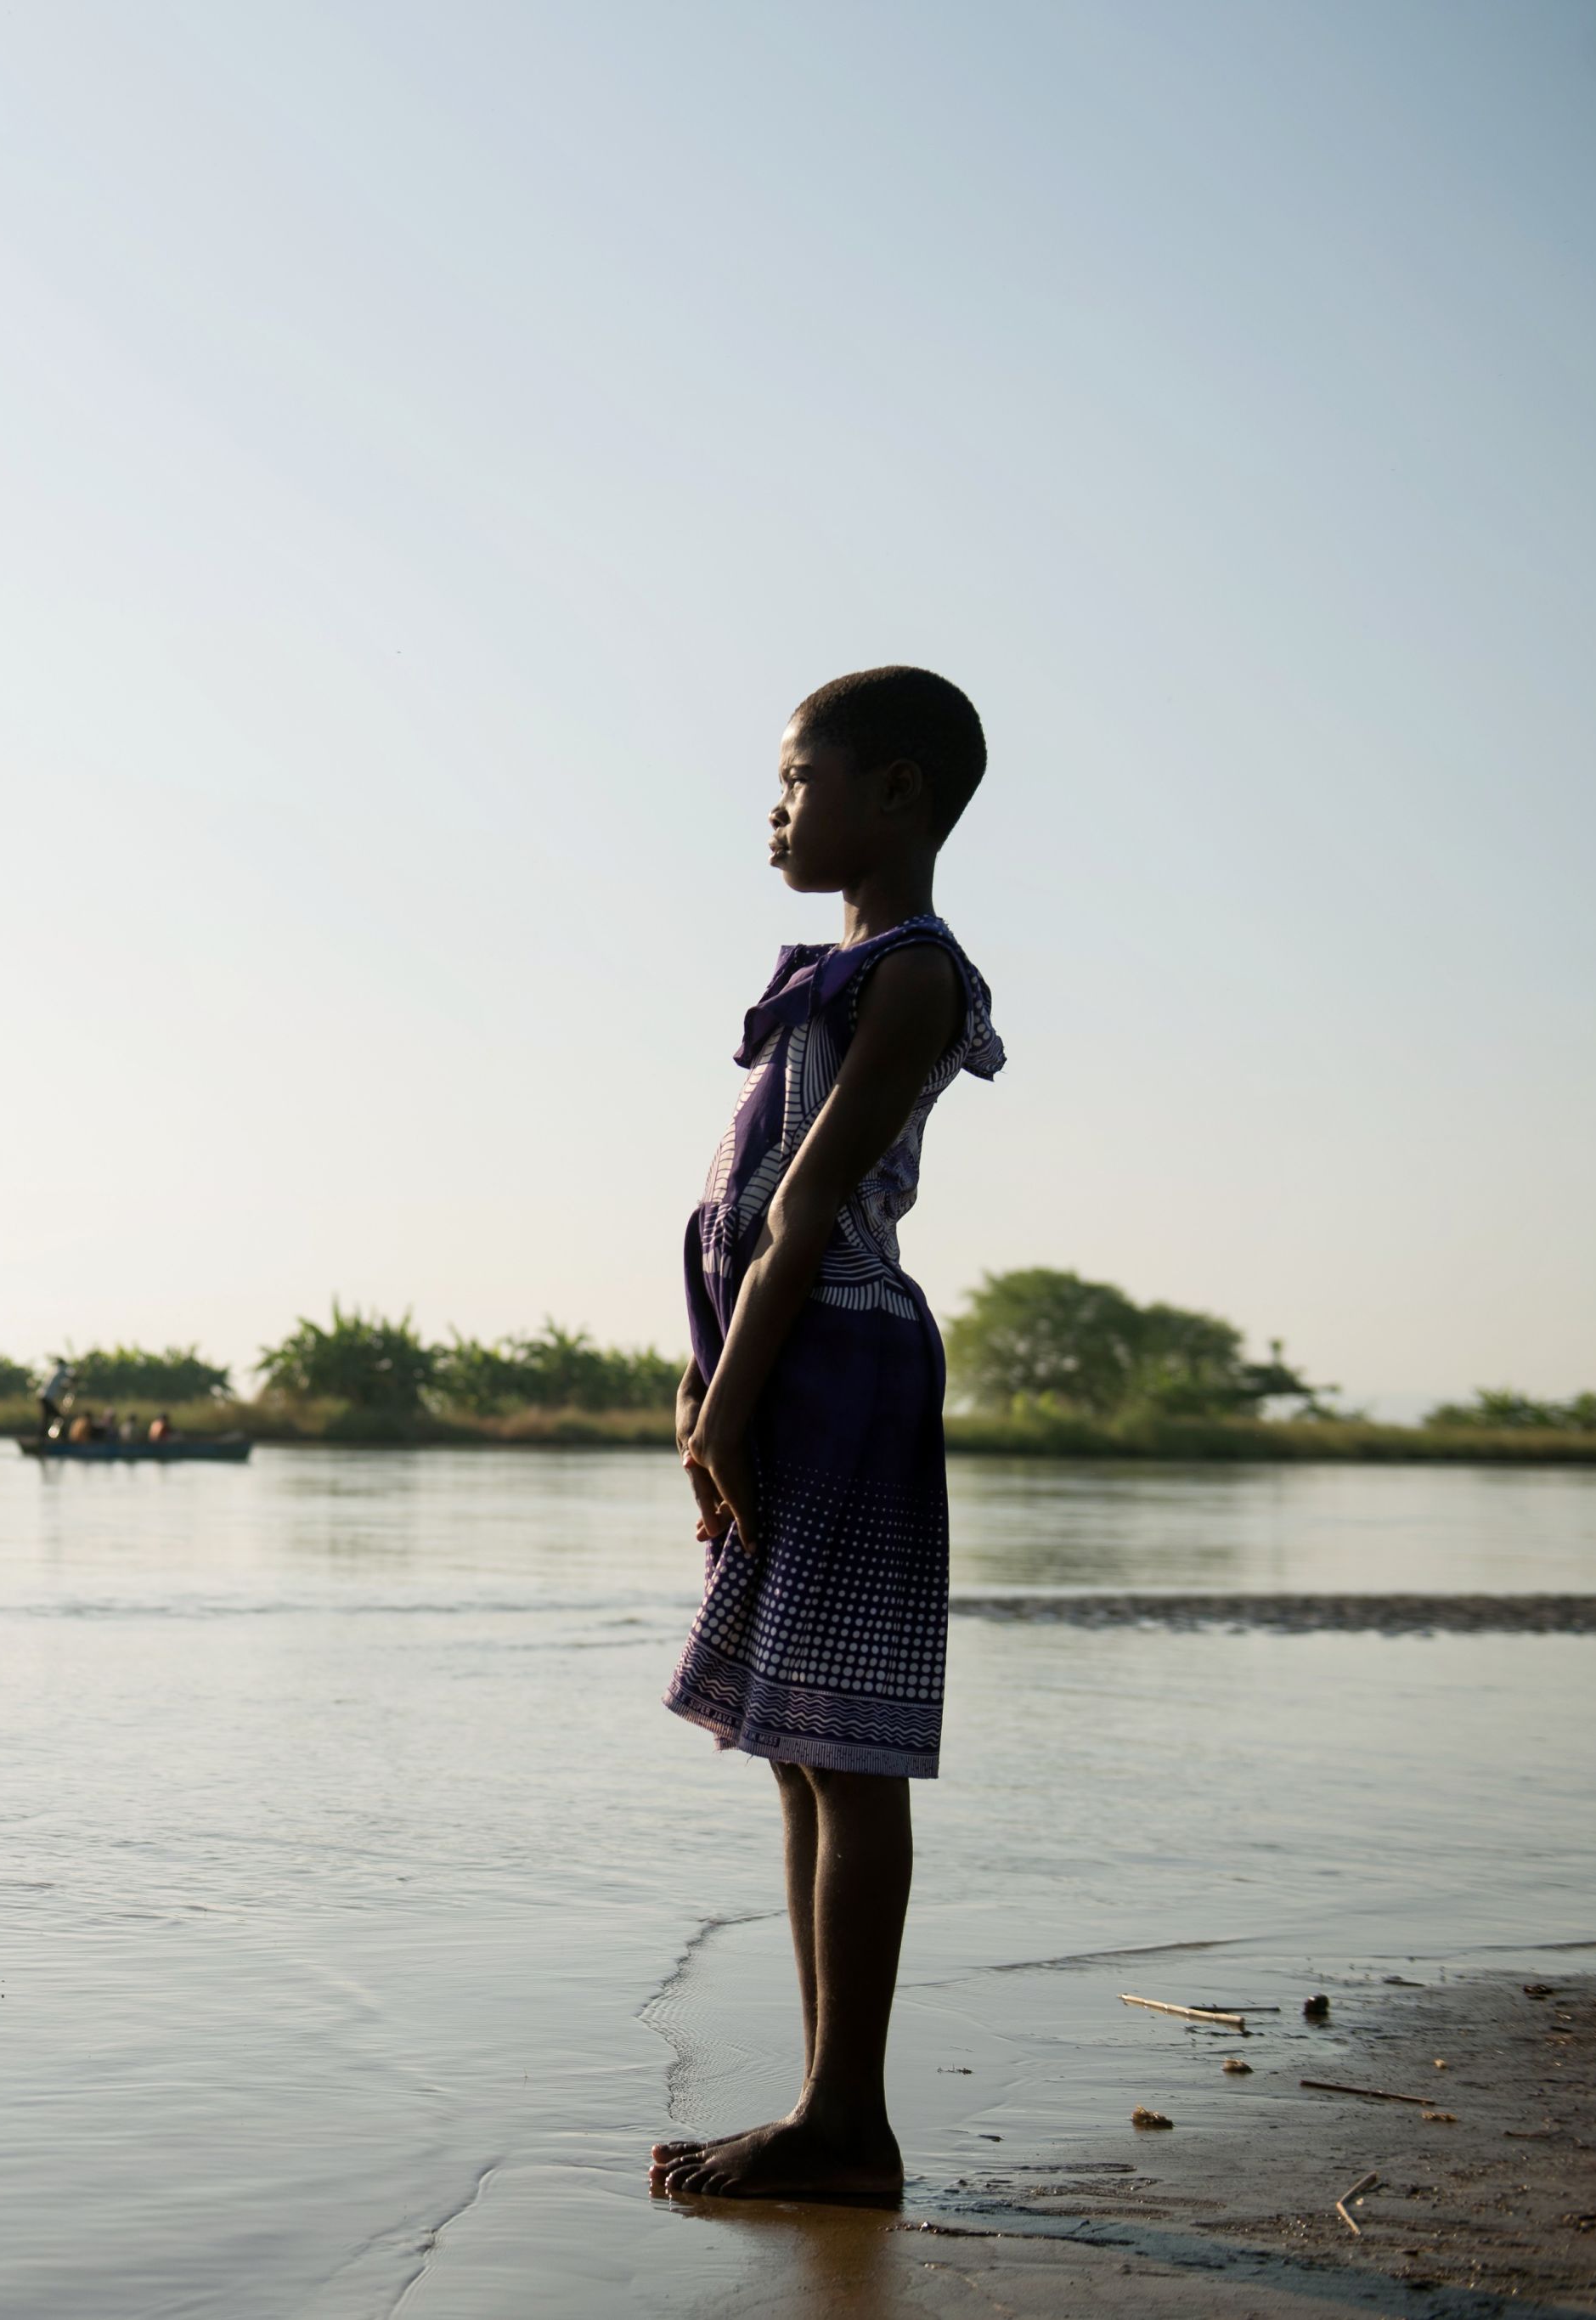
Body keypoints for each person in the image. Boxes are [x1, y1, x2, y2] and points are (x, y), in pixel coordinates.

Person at [647, 667, 1004, 2204]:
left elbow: (802, 1208)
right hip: (775, 1364)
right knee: (796, 1751)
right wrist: (702, 1377)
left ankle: (846, 2119)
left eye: (800, 778)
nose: (777, 808)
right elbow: (738, 1217)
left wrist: (727, 1400)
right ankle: (822, 2109)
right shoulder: (829, 971)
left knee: (848, 1757)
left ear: (900, 794)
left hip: (838, 1371)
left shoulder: (910, 974)